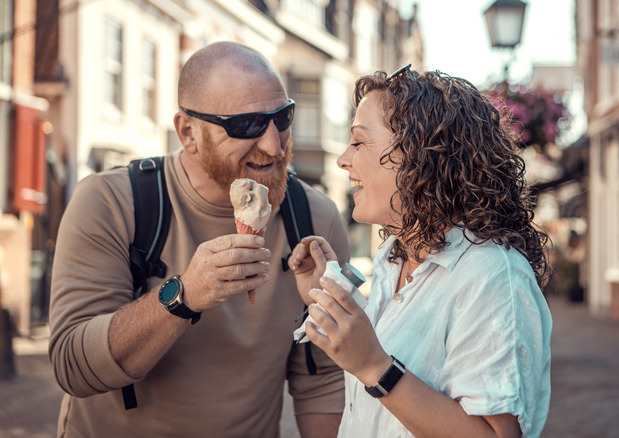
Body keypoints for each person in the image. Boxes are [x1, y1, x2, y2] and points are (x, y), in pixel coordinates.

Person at [48, 41, 350, 437]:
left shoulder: (314, 217)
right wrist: (182, 296)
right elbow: (73, 367)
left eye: (282, 117)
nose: (274, 145)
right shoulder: (111, 202)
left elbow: (321, 380)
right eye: (247, 125)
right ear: (188, 132)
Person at [289, 65, 552, 438]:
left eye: (359, 141)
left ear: (417, 155)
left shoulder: (493, 276)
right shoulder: (394, 255)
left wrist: (376, 368)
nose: (343, 159)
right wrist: (332, 297)